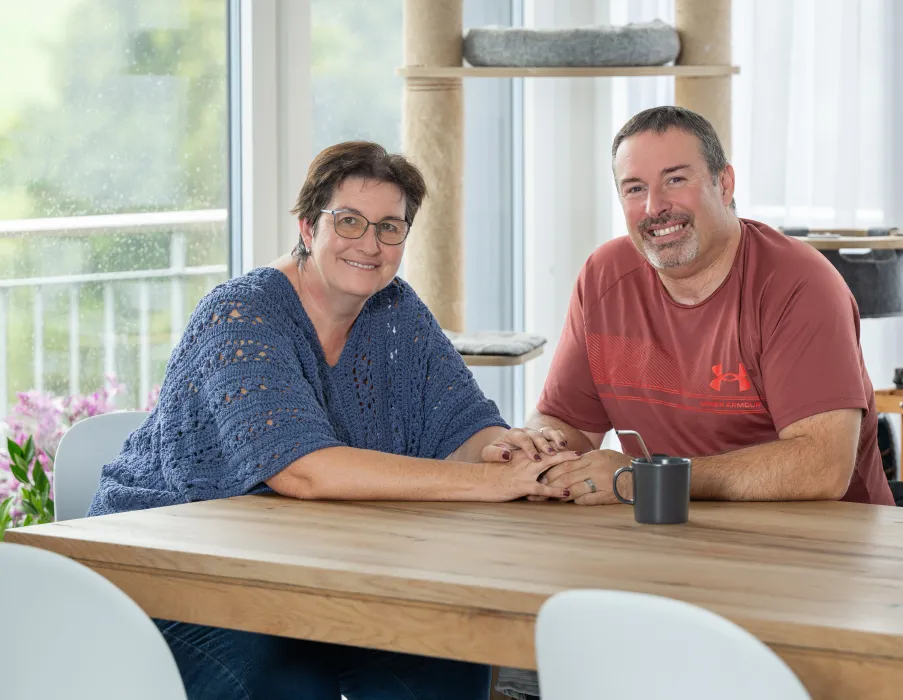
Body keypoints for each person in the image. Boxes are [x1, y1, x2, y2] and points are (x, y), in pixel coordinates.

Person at [86, 140, 577, 700]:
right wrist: (488, 483)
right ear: (306, 226)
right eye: (349, 221)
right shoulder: (241, 314)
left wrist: (508, 451)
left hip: (310, 575)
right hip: (173, 577)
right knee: (292, 683)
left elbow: (464, 426)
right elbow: (302, 472)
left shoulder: (397, 309)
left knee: (444, 662)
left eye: (390, 227)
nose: (370, 243)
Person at [491, 105, 894, 508]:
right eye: (634, 189)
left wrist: (641, 478)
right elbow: (569, 424)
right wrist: (540, 450)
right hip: (675, 534)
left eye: (676, 180)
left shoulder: (799, 284)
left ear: (724, 184)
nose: (654, 207)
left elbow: (822, 467)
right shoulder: (603, 277)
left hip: (825, 550)